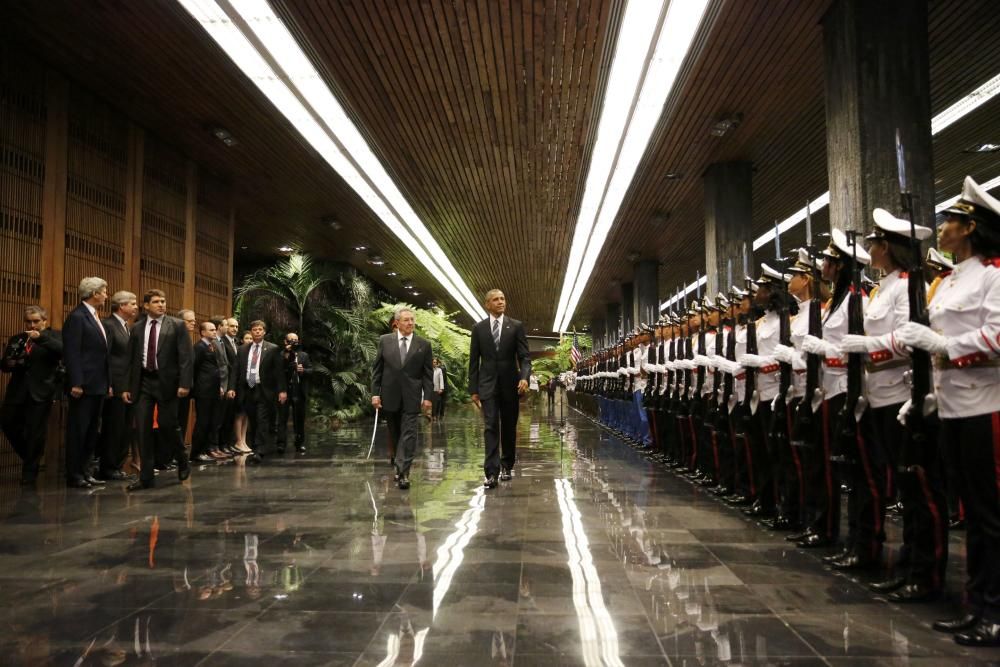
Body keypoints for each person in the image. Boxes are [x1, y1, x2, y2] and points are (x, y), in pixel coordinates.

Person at [895, 176, 1000, 646]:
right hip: (954, 406)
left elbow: (997, 337)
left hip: (987, 406)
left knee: (990, 514)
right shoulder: (953, 278)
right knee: (974, 515)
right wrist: (929, 394)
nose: (940, 228)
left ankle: (994, 609)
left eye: (949, 221)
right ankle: (976, 604)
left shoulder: (994, 274)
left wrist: (943, 344)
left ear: (970, 227)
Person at [122, 289, 193, 490]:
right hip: (143, 382)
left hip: (167, 383)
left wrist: (185, 383)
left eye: (163, 301)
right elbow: (131, 359)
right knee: (143, 428)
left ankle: (181, 458)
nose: (161, 304)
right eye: (156, 302)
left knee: (167, 424)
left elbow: (186, 357)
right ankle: (146, 477)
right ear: (146, 306)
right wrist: (126, 387)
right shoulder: (136, 328)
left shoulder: (177, 326)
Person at [468, 289, 531, 488]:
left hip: (511, 385)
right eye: (496, 299)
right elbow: (473, 361)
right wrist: (473, 389)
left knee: (508, 427)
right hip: (487, 385)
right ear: (487, 304)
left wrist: (524, 377)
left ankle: (507, 466)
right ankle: (491, 472)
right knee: (490, 426)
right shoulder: (479, 328)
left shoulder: (516, 326)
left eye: (503, 298)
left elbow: (524, 357)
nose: (500, 302)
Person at [371, 307, 433, 489]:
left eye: (412, 320)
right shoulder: (385, 341)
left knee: (409, 434)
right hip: (389, 396)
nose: (410, 323)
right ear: (397, 323)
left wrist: (428, 397)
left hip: (412, 397)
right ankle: (399, 467)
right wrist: (375, 393)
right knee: (396, 434)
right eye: (406, 320)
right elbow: (377, 370)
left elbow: (428, 375)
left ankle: (404, 472)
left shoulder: (424, 344)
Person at [1, 306, 62, 484]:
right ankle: (31, 456)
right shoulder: (17, 338)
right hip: (17, 391)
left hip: (41, 392)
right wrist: (9, 363)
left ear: (44, 321)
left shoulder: (53, 336)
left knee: (36, 432)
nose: (32, 325)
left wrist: (40, 337)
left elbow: (62, 350)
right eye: (29, 321)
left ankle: (30, 473)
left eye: (36, 321)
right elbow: (4, 365)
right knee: (7, 422)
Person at [63, 276, 111, 488]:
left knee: (92, 431)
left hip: (98, 383)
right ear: (94, 294)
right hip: (83, 385)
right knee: (79, 431)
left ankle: (86, 470)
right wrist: (76, 382)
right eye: (104, 291)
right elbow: (72, 352)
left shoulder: (95, 316)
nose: (106, 295)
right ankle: (75, 474)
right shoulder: (78, 316)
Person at [98, 290, 138, 480]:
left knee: (126, 428)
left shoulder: (126, 326)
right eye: (133, 303)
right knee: (113, 428)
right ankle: (108, 467)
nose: (136, 307)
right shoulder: (109, 325)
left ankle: (118, 465)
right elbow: (107, 359)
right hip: (116, 387)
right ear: (121, 306)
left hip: (128, 387)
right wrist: (115, 386)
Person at [235, 320, 287, 464]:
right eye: (254, 329)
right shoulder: (242, 349)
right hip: (247, 388)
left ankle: (259, 450)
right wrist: (233, 388)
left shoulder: (272, 349)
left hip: (264, 389)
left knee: (262, 418)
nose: (257, 332)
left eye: (259, 329)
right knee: (252, 419)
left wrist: (282, 390)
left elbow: (279, 372)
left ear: (264, 332)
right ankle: (254, 446)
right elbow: (236, 370)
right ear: (251, 332)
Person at [191, 320, 231, 463]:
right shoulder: (199, 347)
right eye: (211, 330)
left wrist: (219, 386)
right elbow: (195, 368)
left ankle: (206, 449)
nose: (215, 332)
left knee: (211, 422)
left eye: (215, 329)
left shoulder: (211, 346)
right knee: (202, 422)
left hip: (213, 389)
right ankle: (196, 452)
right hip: (203, 390)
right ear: (202, 332)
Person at [277, 332, 311, 454]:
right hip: (285, 389)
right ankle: (281, 444)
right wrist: (286, 356)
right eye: (291, 340)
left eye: (296, 340)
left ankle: (300, 443)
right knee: (282, 418)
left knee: (299, 419)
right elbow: (278, 372)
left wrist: (303, 371)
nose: (294, 343)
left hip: (299, 390)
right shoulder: (280, 355)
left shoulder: (304, 355)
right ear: (285, 342)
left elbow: (311, 370)